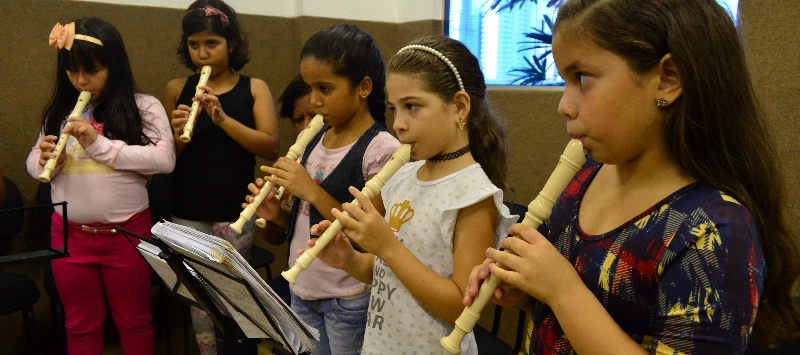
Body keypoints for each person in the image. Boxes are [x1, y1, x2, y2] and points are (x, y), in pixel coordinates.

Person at [466, 0, 800, 354]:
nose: (564, 104)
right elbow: (587, 317)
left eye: (582, 78)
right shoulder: (587, 177)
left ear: (668, 79)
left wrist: (562, 292)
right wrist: (532, 293)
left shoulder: (714, 231)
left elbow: (574, 300)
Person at [306, 35, 516, 354]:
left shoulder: (473, 196)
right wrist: (348, 260)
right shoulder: (403, 174)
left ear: (459, 107)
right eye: (394, 108)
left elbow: (462, 310)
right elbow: (387, 275)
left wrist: (388, 246)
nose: (398, 124)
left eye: (412, 106)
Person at [245, 24, 401, 355]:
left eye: (325, 89)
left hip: (348, 297)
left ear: (364, 87)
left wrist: (310, 190)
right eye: (310, 87)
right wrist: (277, 215)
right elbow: (292, 230)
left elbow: (368, 237)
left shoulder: (381, 149)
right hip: (303, 288)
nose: (314, 101)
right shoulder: (316, 138)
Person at [26, 17, 176, 355]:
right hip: (68, 235)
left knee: (134, 321)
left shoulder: (144, 106)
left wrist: (98, 145)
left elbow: (164, 159)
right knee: (79, 325)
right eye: (72, 71)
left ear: (114, 65)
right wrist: (46, 159)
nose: (81, 80)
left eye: (91, 70)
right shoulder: (59, 111)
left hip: (126, 235)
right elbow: (34, 159)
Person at [162, 1, 280, 353]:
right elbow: (166, 160)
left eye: (212, 44)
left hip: (235, 209)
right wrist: (179, 131)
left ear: (231, 43)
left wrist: (222, 119)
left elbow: (271, 147)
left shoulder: (254, 87)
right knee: (197, 291)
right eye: (194, 44)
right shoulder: (175, 89)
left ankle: (238, 347)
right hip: (187, 207)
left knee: (231, 287)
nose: (202, 54)